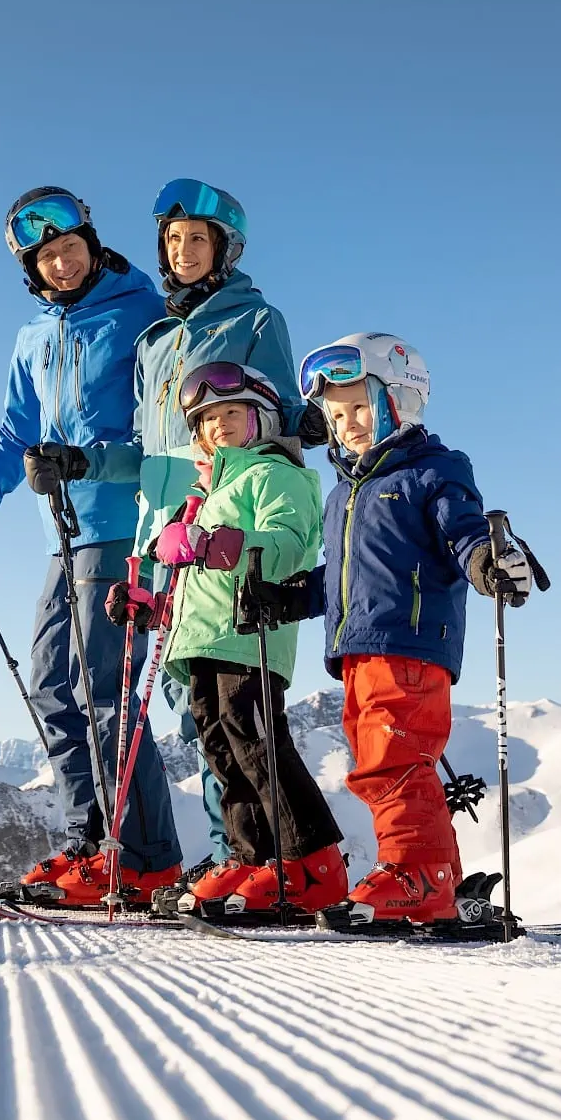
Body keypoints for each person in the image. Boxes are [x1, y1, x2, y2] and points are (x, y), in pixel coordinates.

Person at [34, 179, 303, 881]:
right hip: (160, 534)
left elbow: (280, 415)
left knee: (210, 701)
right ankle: (210, 859)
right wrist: (84, 459)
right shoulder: (157, 339)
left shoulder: (254, 320)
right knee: (174, 691)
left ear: (224, 248)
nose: (183, 251)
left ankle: (244, 855)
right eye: (174, 239)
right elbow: (152, 449)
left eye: (197, 239)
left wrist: (291, 468)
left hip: (222, 525)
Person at [0, 186, 184, 906]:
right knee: (50, 685)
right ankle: (92, 840)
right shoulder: (32, 339)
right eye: (47, 257)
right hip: (62, 536)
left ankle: (145, 858)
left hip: (122, 523)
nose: (63, 263)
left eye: (71, 247)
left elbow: (167, 426)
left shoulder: (141, 314)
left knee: (105, 692)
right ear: (32, 270)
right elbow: (17, 436)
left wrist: (88, 460)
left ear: (93, 242)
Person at [234, 334, 536, 925]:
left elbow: (465, 531)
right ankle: (435, 874)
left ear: (399, 400)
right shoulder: (346, 492)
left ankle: (416, 875)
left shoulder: (434, 471)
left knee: (392, 763)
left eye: (360, 407)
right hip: (356, 649)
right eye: (336, 412)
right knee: (381, 759)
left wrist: (486, 562)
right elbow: (343, 580)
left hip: (409, 642)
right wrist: (286, 597)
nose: (346, 423)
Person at [111, 360, 345, 919]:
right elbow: (194, 580)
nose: (219, 425)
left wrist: (220, 543)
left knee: (255, 741)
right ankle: (250, 856)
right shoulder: (202, 494)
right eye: (207, 419)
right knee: (219, 747)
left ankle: (310, 863)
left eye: (231, 412)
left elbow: (290, 545)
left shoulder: (274, 475)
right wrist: (154, 604)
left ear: (259, 417)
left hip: (250, 632)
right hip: (201, 640)